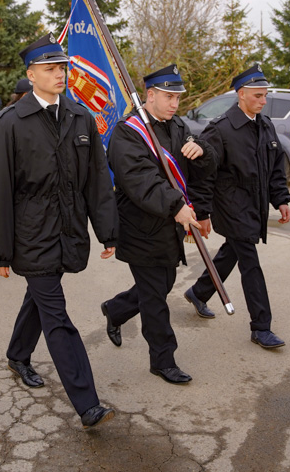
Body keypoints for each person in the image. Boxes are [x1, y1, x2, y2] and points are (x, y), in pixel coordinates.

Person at [0, 34, 118, 429]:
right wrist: (0, 251)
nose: (60, 75)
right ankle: (87, 403)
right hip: (30, 235)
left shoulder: (79, 117)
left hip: (67, 230)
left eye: (62, 68)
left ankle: (18, 354)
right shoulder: (9, 123)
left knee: (40, 300)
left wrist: (108, 231)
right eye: (50, 69)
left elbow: (96, 179)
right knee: (56, 314)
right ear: (31, 74)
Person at [100, 64, 215, 384]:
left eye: (178, 97)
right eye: (168, 96)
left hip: (169, 228)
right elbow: (139, 179)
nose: (175, 103)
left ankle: (116, 309)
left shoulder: (178, 126)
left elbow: (201, 171)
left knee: (160, 285)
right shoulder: (127, 131)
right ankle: (163, 359)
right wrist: (174, 204)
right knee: (155, 296)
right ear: (149, 95)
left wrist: (203, 151)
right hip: (139, 228)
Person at [183, 64, 290, 349]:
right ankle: (261, 326)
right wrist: (203, 212)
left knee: (232, 252)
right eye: (258, 96)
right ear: (241, 94)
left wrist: (280, 199)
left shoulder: (264, 125)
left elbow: (275, 166)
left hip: (254, 206)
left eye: (265, 95)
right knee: (250, 261)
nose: (263, 101)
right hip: (230, 206)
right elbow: (202, 174)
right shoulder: (220, 129)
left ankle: (199, 292)